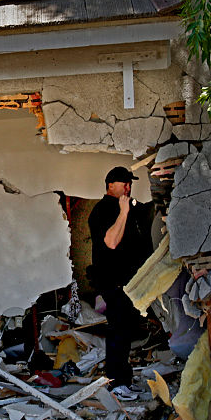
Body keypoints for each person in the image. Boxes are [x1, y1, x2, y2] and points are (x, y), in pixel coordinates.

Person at [87, 166, 154, 402]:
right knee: (118, 331)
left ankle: (124, 380)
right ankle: (115, 383)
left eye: (129, 182)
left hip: (128, 283)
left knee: (126, 331)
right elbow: (111, 242)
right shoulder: (103, 210)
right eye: (123, 183)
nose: (128, 187)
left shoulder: (126, 207)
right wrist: (124, 212)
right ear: (110, 185)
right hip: (113, 282)